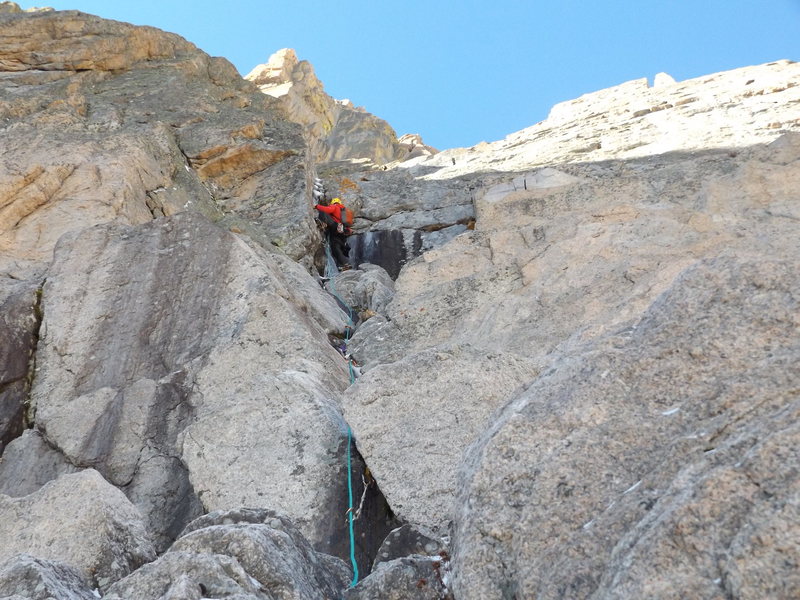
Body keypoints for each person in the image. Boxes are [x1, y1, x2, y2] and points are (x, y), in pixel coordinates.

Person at [314, 197, 351, 270]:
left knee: (322, 211)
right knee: (335, 248)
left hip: (336, 227)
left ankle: (323, 224)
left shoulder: (335, 206)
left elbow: (327, 210)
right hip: (342, 233)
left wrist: (316, 206)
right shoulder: (344, 211)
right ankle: (345, 264)